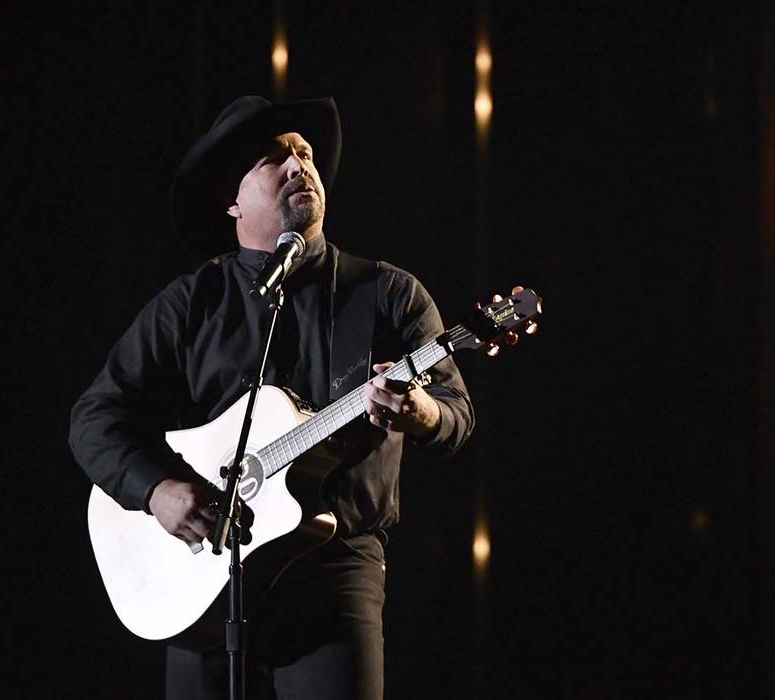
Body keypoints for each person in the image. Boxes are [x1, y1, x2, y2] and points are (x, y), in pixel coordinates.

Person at [69, 95, 474, 699]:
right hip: (205, 580)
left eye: (305, 154)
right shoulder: (193, 303)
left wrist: (418, 410)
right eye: (274, 158)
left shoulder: (387, 293)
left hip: (332, 578)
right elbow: (95, 417)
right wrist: (156, 490)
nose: (298, 165)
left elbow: (456, 414)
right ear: (232, 200)